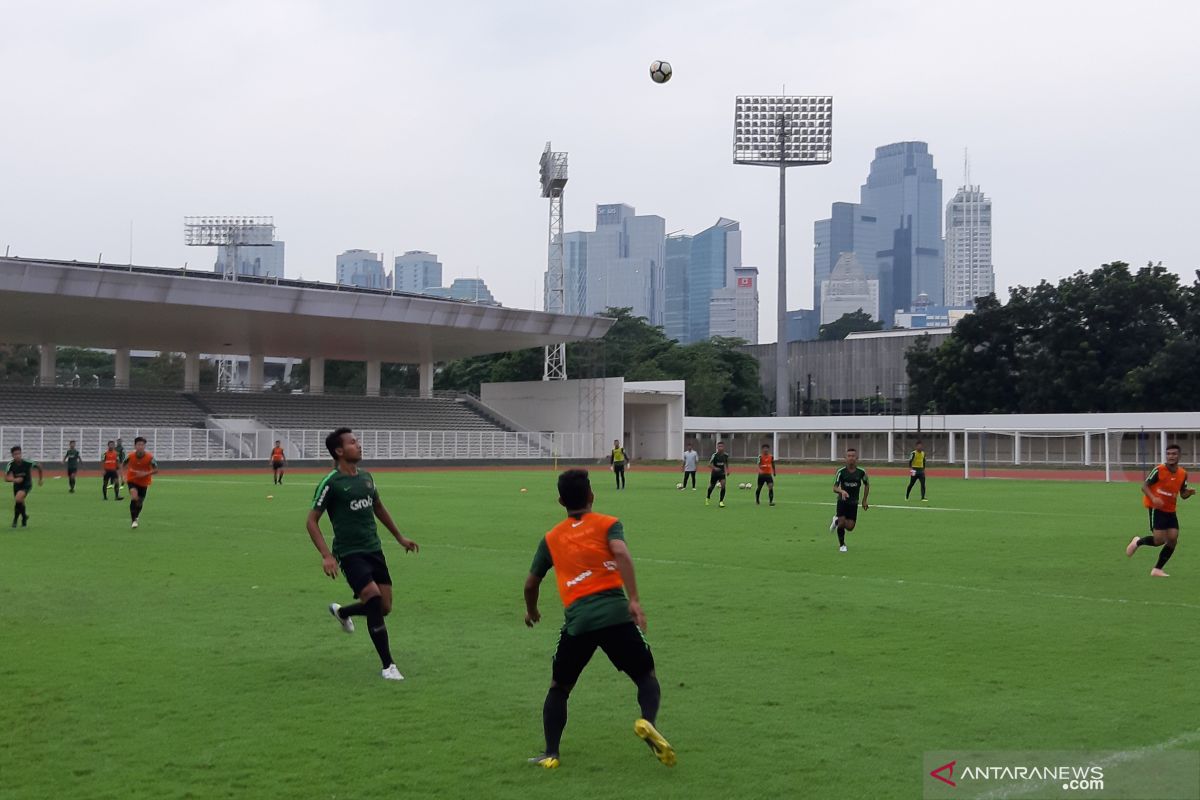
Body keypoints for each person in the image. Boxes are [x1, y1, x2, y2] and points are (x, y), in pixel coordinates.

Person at [523, 468, 675, 770]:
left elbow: (531, 584)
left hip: (579, 623)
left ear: (560, 500)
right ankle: (648, 722)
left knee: (559, 687)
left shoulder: (551, 538)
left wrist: (532, 611)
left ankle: (551, 753)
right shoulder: (609, 524)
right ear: (591, 496)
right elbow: (621, 553)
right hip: (617, 616)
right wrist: (633, 600)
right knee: (646, 676)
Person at [307, 427, 419, 681]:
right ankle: (388, 665)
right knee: (372, 597)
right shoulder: (331, 483)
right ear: (339, 450)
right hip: (349, 552)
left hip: (374, 549)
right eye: (353, 442)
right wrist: (326, 555)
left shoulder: (366, 478)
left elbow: (378, 507)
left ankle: (343, 612)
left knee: (384, 606)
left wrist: (400, 537)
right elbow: (311, 521)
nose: (358, 445)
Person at [1126, 444, 1194, 577]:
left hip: (1170, 510)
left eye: (1174, 454)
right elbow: (1144, 486)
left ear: (1179, 456)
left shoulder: (1183, 473)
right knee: (1159, 541)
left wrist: (1189, 493)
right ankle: (1137, 542)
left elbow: (1183, 494)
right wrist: (1153, 498)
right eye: (1168, 454)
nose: (1171, 456)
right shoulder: (1158, 470)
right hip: (1156, 508)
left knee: (1173, 539)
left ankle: (1157, 569)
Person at [831, 448, 869, 552]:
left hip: (853, 503)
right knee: (842, 524)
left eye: (853, 456)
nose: (851, 458)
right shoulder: (841, 472)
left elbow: (867, 485)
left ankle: (836, 520)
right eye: (849, 456)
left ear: (857, 458)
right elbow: (834, 487)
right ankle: (842, 545)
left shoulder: (861, 472)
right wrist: (841, 491)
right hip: (842, 502)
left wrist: (864, 500)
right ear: (845, 458)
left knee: (850, 527)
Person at [123, 436, 158, 529]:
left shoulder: (150, 457)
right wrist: (123, 476)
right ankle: (133, 520)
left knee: (139, 502)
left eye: (142, 445)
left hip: (144, 482)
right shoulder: (130, 456)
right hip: (132, 479)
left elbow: (156, 470)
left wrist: (145, 473)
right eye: (138, 444)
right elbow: (122, 465)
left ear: (144, 446)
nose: (140, 446)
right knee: (134, 497)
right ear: (135, 446)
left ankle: (136, 516)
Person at [5, 446, 43, 528]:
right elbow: (6, 478)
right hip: (17, 486)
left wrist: (40, 479)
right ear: (12, 455)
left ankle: (15, 520)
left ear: (21, 454)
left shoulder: (27, 462)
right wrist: (15, 480)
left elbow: (39, 466)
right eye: (15, 454)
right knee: (20, 502)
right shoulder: (10, 464)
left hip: (27, 484)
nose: (17, 455)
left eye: (19, 453)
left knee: (18, 498)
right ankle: (24, 518)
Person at [705, 441, 730, 508]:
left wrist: (727, 470)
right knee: (711, 487)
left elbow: (726, 463)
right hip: (715, 474)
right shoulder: (714, 455)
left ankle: (721, 501)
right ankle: (708, 497)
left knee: (723, 486)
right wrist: (715, 468)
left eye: (721, 446)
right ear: (717, 447)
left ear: (724, 447)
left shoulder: (726, 455)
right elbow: (709, 464)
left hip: (722, 473)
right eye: (719, 446)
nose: (720, 448)